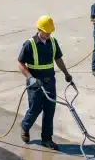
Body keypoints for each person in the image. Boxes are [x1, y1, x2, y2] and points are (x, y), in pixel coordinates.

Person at [17, 15, 73, 150]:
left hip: (49, 83)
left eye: (50, 32)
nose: (48, 34)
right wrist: (30, 77)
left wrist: (66, 73)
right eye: (46, 32)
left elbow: (58, 59)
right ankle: (25, 126)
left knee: (49, 110)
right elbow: (20, 63)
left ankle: (47, 139)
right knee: (35, 109)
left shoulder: (53, 42)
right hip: (35, 84)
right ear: (39, 29)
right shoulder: (29, 44)